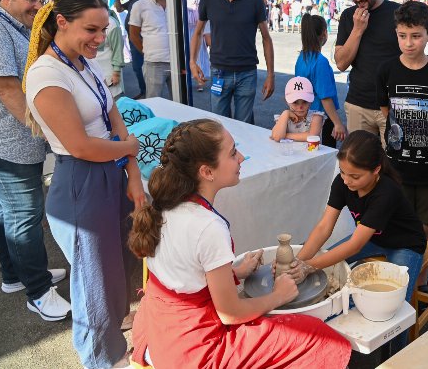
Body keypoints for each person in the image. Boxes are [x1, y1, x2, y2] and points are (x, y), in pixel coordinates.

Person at [127, 119, 350, 368]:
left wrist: (236, 272)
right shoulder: (208, 227)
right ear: (206, 172)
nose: (242, 158)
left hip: (155, 327)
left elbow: (184, 271)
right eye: (233, 153)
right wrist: (278, 295)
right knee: (318, 338)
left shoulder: (167, 203)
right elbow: (230, 314)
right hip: (190, 349)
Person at [24, 0, 146, 368]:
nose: (100, 38)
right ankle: (101, 358)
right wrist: (128, 150)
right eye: (91, 30)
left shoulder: (83, 62)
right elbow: (80, 146)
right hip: (81, 184)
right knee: (94, 283)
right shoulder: (46, 74)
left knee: (121, 265)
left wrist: (134, 175)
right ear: (61, 22)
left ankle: (117, 334)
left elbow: (115, 116)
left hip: (110, 176)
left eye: (103, 28)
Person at [287, 130, 426, 352]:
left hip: (404, 243)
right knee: (327, 269)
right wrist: (296, 262)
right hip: (371, 237)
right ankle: (331, 338)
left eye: (355, 176)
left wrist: (309, 266)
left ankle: (397, 356)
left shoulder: (386, 192)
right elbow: (324, 227)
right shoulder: (342, 182)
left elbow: (355, 245)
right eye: (343, 172)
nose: (347, 180)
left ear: (376, 170)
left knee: (394, 307)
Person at [0, 0, 70, 320]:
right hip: (10, 142)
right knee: (24, 215)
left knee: (7, 212)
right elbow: (7, 89)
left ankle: (15, 275)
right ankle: (38, 291)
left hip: (15, 140)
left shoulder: (15, 26)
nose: (38, 6)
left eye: (41, 0)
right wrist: (47, 129)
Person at [377, 0, 428, 262]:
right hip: (395, 168)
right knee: (397, 225)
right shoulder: (386, 70)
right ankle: (400, 276)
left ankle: (422, 279)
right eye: (403, 36)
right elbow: (386, 112)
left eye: (416, 36)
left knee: (425, 227)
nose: (409, 43)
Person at [190, 0, 275, 124]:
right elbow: (198, 32)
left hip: (247, 73)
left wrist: (270, 74)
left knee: (243, 125)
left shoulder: (255, 0)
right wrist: (192, 62)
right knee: (219, 124)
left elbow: (266, 38)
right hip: (219, 72)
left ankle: (245, 152)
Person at [334, 0, 400, 141]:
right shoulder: (349, 16)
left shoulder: (397, 13)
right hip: (358, 103)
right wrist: (357, 30)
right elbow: (341, 63)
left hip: (393, 104)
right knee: (360, 164)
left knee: (392, 165)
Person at [295, 14, 347, 148]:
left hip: (305, 114)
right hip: (322, 117)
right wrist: (337, 123)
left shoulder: (301, 58)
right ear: (324, 33)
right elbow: (325, 98)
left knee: (310, 150)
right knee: (324, 153)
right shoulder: (320, 62)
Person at [129, 0, 170, 99]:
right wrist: (145, 52)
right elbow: (133, 34)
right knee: (154, 102)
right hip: (153, 63)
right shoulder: (140, 5)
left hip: (176, 61)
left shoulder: (176, 3)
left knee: (181, 102)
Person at [114, 0, 147, 98]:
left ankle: (146, 92)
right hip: (134, 39)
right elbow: (119, 9)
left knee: (141, 67)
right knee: (138, 67)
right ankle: (144, 91)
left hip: (141, 39)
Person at [270, 77, 324, 142]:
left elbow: (312, 136)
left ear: (311, 101)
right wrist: (286, 113)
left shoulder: (316, 117)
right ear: (286, 100)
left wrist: (285, 135)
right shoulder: (284, 117)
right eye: (295, 102)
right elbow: (277, 137)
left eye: (305, 101)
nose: (300, 107)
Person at [96, 7, 126, 99]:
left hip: (109, 75)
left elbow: (118, 49)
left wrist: (116, 72)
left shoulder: (112, 23)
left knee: (114, 104)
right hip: (95, 74)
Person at [187, 0, 210, 92]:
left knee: (196, 58)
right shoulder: (197, 10)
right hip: (195, 36)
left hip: (191, 36)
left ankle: (199, 81)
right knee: (200, 58)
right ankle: (200, 82)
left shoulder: (187, 11)